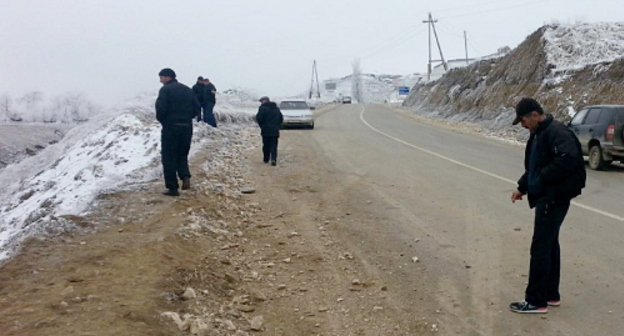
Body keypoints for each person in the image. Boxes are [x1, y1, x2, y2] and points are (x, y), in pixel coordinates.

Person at [509, 97, 586, 313]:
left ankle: (536, 301)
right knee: (550, 244)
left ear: (535, 115)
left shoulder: (556, 132)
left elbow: (568, 159)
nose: (523, 125)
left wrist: (542, 178)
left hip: (553, 197)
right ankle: (551, 295)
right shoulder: (539, 134)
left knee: (540, 247)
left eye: (523, 120)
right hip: (548, 195)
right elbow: (534, 167)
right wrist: (522, 187)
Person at [155, 68, 200, 196]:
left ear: (168, 77)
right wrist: (186, 118)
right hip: (186, 127)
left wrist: (164, 121)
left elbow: (160, 108)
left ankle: (172, 188)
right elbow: (197, 108)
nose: (160, 80)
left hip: (171, 127)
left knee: (169, 156)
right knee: (182, 153)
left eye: (161, 77)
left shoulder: (165, 90)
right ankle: (185, 176)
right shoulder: (187, 89)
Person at [255, 96, 283, 166]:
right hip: (275, 130)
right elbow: (281, 118)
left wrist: (262, 126)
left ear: (265, 101)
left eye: (262, 101)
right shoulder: (276, 108)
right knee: (274, 145)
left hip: (266, 130)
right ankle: (273, 159)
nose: (261, 102)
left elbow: (259, 118)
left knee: (266, 145)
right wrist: (277, 126)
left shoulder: (262, 108)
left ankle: (266, 159)